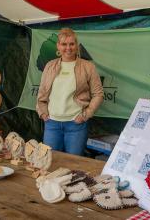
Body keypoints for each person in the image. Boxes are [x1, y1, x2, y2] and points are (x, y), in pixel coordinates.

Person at [36, 28, 103, 156]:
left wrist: (86, 114)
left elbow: (98, 94)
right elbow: (42, 93)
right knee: (49, 163)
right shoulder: (50, 66)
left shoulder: (87, 66)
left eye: (71, 44)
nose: (68, 48)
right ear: (58, 46)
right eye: (64, 44)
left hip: (76, 125)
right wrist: (43, 113)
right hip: (52, 124)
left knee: (74, 165)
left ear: (77, 45)